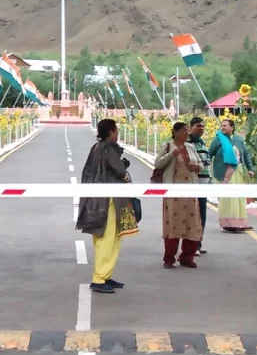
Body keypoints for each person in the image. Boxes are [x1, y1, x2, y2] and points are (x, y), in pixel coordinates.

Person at [77, 118, 139, 294]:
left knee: (102, 237)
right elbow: (120, 171)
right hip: (109, 200)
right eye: (116, 130)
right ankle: (99, 277)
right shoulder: (109, 148)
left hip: (96, 199)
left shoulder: (96, 147)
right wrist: (126, 176)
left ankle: (105, 275)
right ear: (111, 131)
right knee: (109, 238)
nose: (117, 133)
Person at [153, 121, 205, 267]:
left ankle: (187, 257)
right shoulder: (169, 146)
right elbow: (158, 163)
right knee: (173, 225)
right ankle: (169, 258)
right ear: (175, 132)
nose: (186, 133)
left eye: (187, 130)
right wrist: (172, 155)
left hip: (190, 192)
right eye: (183, 130)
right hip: (174, 193)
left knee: (192, 224)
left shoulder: (191, 147)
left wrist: (197, 167)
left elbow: (201, 164)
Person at [209, 117, 254, 231]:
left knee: (238, 197)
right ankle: (228, 223)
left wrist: (250, 168)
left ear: (232, 127)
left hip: (238, 171)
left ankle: (240, 223)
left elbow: (246, 154)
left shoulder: (239, 139)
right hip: (225, 173)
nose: (223, 127)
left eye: (225, 125)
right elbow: (209, 154)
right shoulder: (218, 139)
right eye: (222, 126)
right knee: (227, 198)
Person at [188, 116, 211, 253]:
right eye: (198, 126)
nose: (201, 128)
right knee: (193, 215)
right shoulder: (187, 143)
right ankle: (191, 245)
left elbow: (206, 160)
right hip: (193, 183)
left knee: (202, 214)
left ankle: (198, 243)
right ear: (191, 127)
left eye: (202, 126)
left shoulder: (202, 142)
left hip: (204, 183)